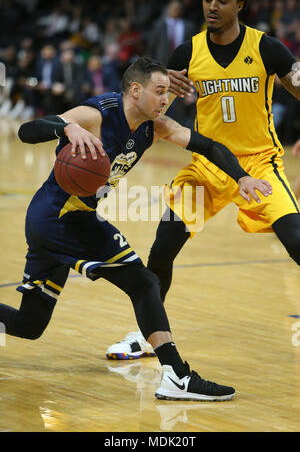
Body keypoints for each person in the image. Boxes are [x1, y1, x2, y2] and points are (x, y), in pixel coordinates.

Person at [0, 57, 271, 402]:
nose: (164, 100)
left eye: (167, 94)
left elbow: (209, 146)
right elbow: (27, 131)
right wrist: (66, 127)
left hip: (65, 218)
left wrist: (242, 176)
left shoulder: (153, 126)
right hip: (57, 218)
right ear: (135, 90)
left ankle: (175, 376)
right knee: (144, 282)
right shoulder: (98, 113)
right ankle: (176, 375)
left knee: (30, 324)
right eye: (159, 92)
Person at [107, 0, 300, 362]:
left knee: (296, 240)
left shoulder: (267, 47)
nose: (212, 6)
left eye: (222, 0)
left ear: (240, 5)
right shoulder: (187, 52)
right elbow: (147, 98)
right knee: (162, 248)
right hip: (207, 168)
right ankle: (149, 337)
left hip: (258, 163)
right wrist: (164, 89)